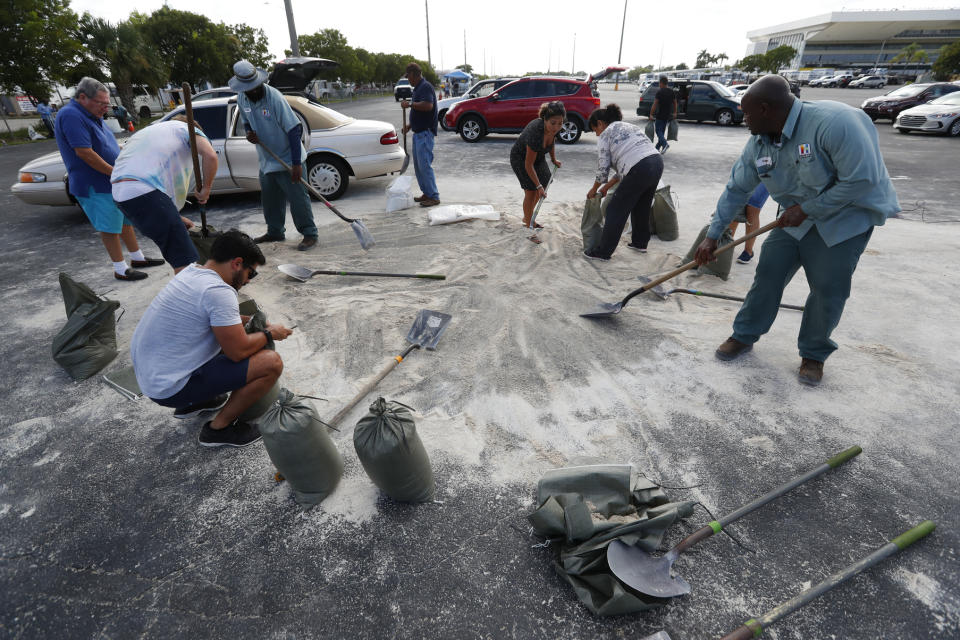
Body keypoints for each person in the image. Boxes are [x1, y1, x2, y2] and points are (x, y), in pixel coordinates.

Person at [694, 75, 899, 386]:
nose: (743, 119)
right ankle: (744, 335)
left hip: (846, 219)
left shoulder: (835, 123)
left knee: (827, 289)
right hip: (794, 219)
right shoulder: (760, 141)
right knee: (768, 274)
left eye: (747, 113)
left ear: (766, 109)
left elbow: (861, 181)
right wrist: (713, 235)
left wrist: (806, 210)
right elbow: (737, 188)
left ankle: (814, 355)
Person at [131, 229, 293, 448]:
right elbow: (238, 351)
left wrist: (256, 323)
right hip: (169, 387)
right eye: (251, 273)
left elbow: (223, 319)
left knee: (229, 337)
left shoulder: (192, 272)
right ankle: (219, 429)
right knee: (271, 363)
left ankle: (196, 401)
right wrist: (269, 334)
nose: (248, 281)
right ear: (237, 263)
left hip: (153, 377)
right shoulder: (219, 291)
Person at [54, 77, 163, 281]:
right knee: (109, 226)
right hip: (94, 183)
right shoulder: (71, 115)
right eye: (102, 103)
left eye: (107, 104)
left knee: (124, 220)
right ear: (83, 97)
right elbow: (84, 153)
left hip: (111, 181)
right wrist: (115, 173)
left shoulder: (92, 114)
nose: (106, 108)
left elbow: (104, 145)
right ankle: (120, 268)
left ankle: (137, 257)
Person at [229, 60, 319, 251]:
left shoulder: (274, 98)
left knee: (298, 200)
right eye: (248, 88)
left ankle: (309, 233)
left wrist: (296, 164)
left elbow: (294, 129)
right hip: (267, 159)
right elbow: (246, 122)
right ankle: (275, 231)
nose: (252, 91)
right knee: (270, 200)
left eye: (254, 87)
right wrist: (249, 133)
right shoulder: (242, 99)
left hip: (289, 159)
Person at [111, 116, 218, 274]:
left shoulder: (149, 133)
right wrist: (206, 189)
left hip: (121, 195)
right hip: (143, 190)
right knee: (185, 261)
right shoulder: (187, 130)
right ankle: (191, 295)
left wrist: (176, 218)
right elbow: (211, 156)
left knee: (178, 252)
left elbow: (153, 191)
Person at [583, 104, 664, 261]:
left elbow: (603, 169)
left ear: (600, 123)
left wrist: (594, 189)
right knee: (642, 205)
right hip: (656, 162)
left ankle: (603, 252)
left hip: (639, 167)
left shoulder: (606, 134)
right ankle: (640, 243)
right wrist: (605, 188)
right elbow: (624, 169)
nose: (596, 134)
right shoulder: (628, 126)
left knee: (615, 209)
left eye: (595, 130)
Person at [509, 101, 564, 228]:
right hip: (520, 158)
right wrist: (538, 186)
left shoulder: (552, 129)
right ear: (545, 119)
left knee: (545, 181)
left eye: (560, 123)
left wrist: (553, 159)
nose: (556, 127)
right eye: (553, 123)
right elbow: (528, 165)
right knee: (531, 191)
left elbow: (551, 141)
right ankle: (529, 224)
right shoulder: (536, 132)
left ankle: (527, 216)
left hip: (538, 156)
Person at [400, 63, 440, 207]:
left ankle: (434, 196)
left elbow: (428, 106)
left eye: (409, 76)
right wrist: (410, 125)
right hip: (418, 133)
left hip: (425, 133)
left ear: (414, 74)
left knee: (424, 166)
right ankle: (427, 193)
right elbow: (420, 111)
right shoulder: (418, 88)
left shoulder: (425, 86)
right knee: (419, 167)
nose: (408, 79)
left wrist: (410, 105)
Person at [728, 182, 769, 264]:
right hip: (747, 170)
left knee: (753, 206)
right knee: (737, 203)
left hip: (768, 172)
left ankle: (748, 251)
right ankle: (727, 243)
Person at [650, 76, 678, 154]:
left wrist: (651, 114)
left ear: (661, 83)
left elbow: (655, 104)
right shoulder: (671, 92)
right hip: (667, 116)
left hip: (660, 115)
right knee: (661, 132)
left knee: (658, 131)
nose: (659, 85)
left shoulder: (660, 92)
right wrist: (675, 112)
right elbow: (675, 103)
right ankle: (656, 149)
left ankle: (665, 144)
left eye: (659, 83)